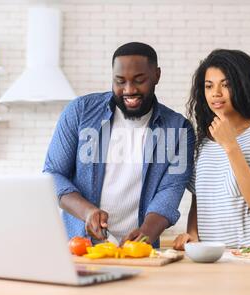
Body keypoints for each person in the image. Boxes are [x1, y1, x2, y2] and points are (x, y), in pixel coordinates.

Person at [44, 42, 195, 248]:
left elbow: (171, 189)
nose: (129, 90)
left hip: (140, 250)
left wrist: (146, 233)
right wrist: (87, 212)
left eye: (139, 80)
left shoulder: (179, 129)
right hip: (79, 247)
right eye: (120, 81)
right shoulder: (80, 112)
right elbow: (53, 174)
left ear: (157, 75)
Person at [173, 49, 250, 250]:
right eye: (209, 86)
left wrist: (230, 146)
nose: (216, 93)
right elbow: (199, 200)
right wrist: (193, 234)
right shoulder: (204, 142)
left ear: (243, 86)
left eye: (226, 85)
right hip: (218, 259)